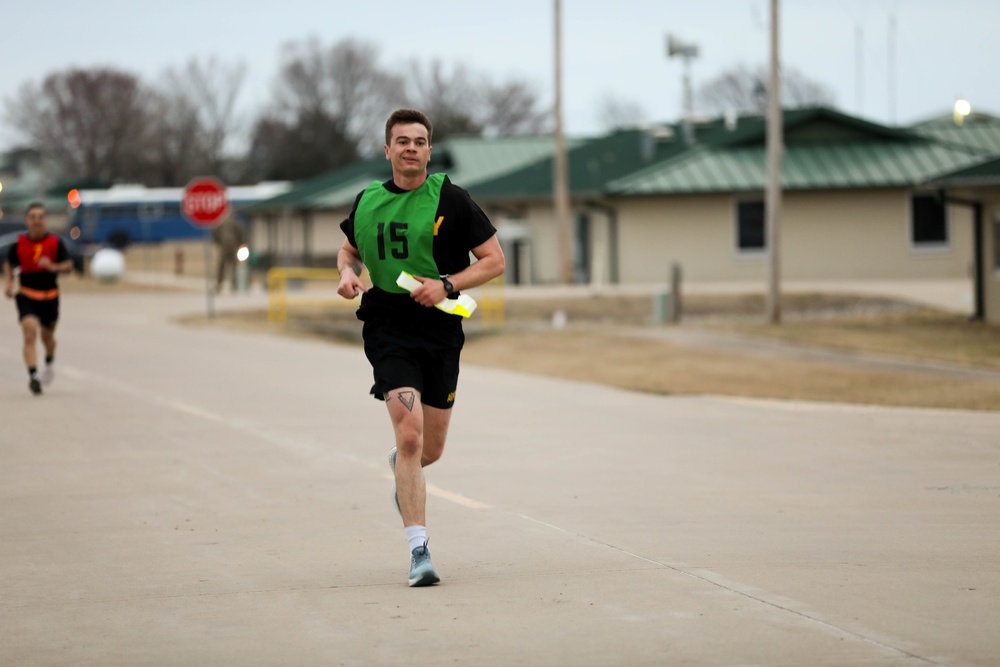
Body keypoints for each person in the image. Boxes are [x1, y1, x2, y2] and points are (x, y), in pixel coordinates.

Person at [337, 109, 505, 587]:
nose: (411, 148)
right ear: (387, 150)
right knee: (408, 434)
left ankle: (402, 468)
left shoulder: (451, 199)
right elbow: (349, 248)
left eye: (420, 141)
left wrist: (447, 285)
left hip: (440, 330)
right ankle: (419, 552)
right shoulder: (368, 199)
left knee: (429, 449)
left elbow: (494, 261)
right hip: (388, 325)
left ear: (430, 151)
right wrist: (347, 273)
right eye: (402, 141)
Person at [3, 202, 74, 395]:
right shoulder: (18, 244)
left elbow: (68, 266)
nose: (36, 221)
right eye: (32, 217)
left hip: (50, 297)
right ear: (27, 220)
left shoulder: (55, 243)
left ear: (45, 220)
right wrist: (8, 284)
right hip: (27, 295)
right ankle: (33, 375)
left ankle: (49, 360)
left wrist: (53, 266)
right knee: (29, 332)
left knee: (47, 337)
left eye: (40, 217)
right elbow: (9, 264)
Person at [211, 214, 245, 293]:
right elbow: (241, 234)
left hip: (223, 247)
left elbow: (215, 234)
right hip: (233, 247)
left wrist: (218, 243)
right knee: (233, 266)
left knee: (221, 267)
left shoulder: (221, 223)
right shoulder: (236, 223)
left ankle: (219, 284)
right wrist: (240, 244)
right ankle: (233, 285)